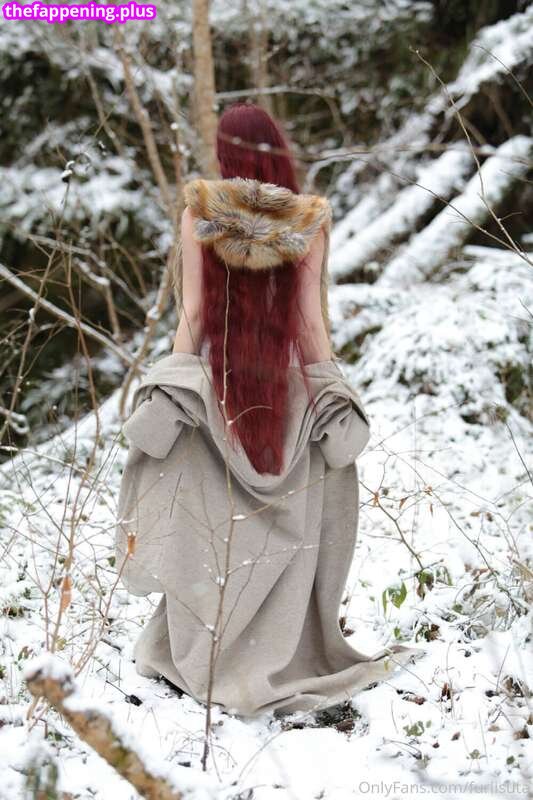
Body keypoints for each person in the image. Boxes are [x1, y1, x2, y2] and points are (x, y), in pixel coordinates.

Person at [115, 102, 426, 720]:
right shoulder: (308, 221)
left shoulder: (201, 212)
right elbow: (309, 327)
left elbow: (194, 317)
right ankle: (276, 649)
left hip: (217, 394)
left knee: (212, 521)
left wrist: (173, 386)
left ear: (226, 153)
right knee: (285, 527)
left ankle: (204, 651)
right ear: (278, 153)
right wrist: (331, 393)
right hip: (287, 397)